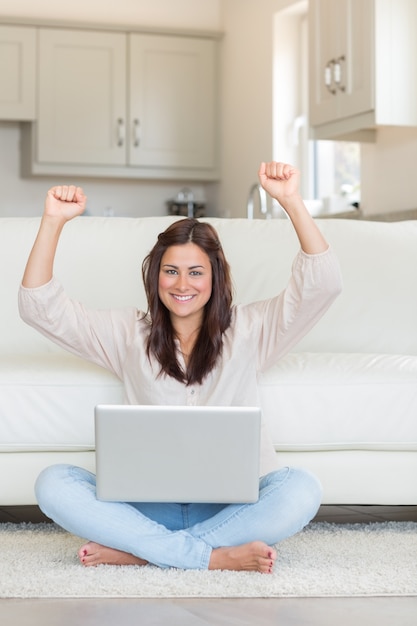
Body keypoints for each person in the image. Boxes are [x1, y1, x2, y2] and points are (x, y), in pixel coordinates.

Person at [18, 161, 342, 573]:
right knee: (53, 483)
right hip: (148, 508)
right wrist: (52, 222)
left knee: (301, 489)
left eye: (195, 272)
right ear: (156, 277)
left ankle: (144, 553)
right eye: (170, 271)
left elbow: (323, 285)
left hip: (230, 510)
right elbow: (38, 307)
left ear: (215, 278)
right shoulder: (125, 333)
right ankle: (207, 557)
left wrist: (291, 201)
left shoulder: (252, 329)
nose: (182, 284)